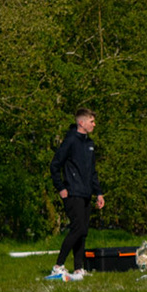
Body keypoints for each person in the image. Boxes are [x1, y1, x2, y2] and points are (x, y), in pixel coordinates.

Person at [48, 108, 104, 282]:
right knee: (77, 228)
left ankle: (79, 268)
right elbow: (54, 165)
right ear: (81, 122)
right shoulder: (70, 141)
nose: (94, 124)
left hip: (86, 193)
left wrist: (99, 193)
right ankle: (58, 266)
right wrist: (61, 188)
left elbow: (92, 171)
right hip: (72, 192)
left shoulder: (90, 144)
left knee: (83, 231)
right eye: (91, 121)